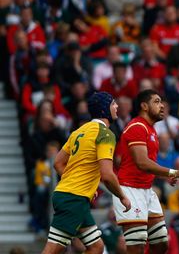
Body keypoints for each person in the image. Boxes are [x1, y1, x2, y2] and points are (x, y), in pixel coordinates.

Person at [43, 92, 131, 254]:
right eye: (113, 104)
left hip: (71, 195)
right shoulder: (105, 134)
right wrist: (123, 196)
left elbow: (58, 163)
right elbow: (107, 175)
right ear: (104, 109)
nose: (117, 106)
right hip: (73, 198)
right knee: (52, 250)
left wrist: (82, 184)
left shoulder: (79, 131)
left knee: (96, 247)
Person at [114, 89, 179, 253]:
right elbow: (142, 163)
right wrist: (172, 172)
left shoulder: (151, 130)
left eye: (162, 102)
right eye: (157, 102)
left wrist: (164, 176)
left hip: (146, 190)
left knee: (161, 243)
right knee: (136, 246)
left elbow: (149, 164)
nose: (162, 106)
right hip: (130, 190)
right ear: (144, 106)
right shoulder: (137, 126)